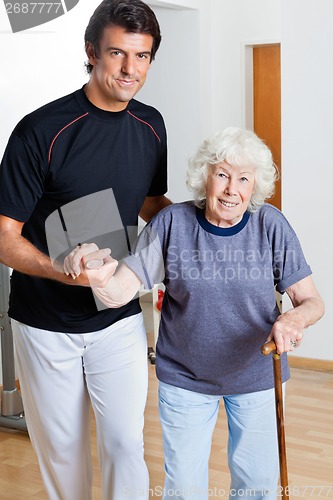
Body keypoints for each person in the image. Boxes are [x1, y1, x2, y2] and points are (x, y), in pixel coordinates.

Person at [64, 127, 324, 500]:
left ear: (255, 187)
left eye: (243, 179)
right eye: (222, 174)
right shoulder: (172, 225)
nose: (231, 189)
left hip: (257, 376)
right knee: (184, 490)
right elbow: (120, 289)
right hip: (185, 377)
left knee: (256, 488)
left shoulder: (270, 225)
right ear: (205, 177)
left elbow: (312, 302)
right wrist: (97, 273)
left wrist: (292, 319)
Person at [0, 1, 172, 499]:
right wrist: (61, 268)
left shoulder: (151, 125)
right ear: (91, 52)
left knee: (125, 446)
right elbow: (5, 236)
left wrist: (208, 226)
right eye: (117, 53)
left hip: (116, 316)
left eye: (141, 57)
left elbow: (149, 202)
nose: (129, 69)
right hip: (45, 322)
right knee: (65, 458)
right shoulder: (42, 130)